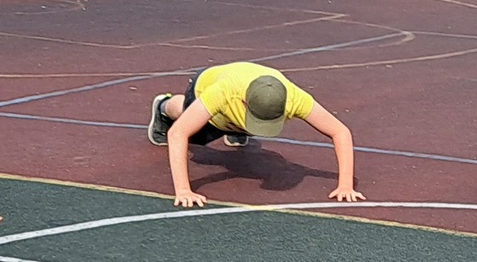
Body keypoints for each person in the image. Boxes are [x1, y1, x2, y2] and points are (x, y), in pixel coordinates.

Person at [147, 62, 361, 209]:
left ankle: (234, 128)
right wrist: (184, 190)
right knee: (193, 128)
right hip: (206, 85)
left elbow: (340, 131)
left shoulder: (295, 97)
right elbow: (177, 134)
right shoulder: (223, 92)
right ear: (244, 103)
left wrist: (345, 185)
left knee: (236, 124)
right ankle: (164, 106)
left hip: (238, 105)